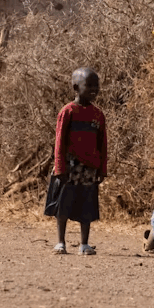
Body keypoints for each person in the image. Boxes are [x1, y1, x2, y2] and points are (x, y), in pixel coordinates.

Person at [45, 67, 107, 255]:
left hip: (90, 167)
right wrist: (59, 167)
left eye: (96, 85)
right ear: (75, 87)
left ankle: (84, 244)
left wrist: (102, 169)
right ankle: (60, 242)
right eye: (89, 85)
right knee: (63, 204)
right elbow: (59, 142)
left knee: (86, 205)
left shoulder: (98, 115)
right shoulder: (68, 112)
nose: (94, 89)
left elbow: (102, 144)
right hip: (69, 166)